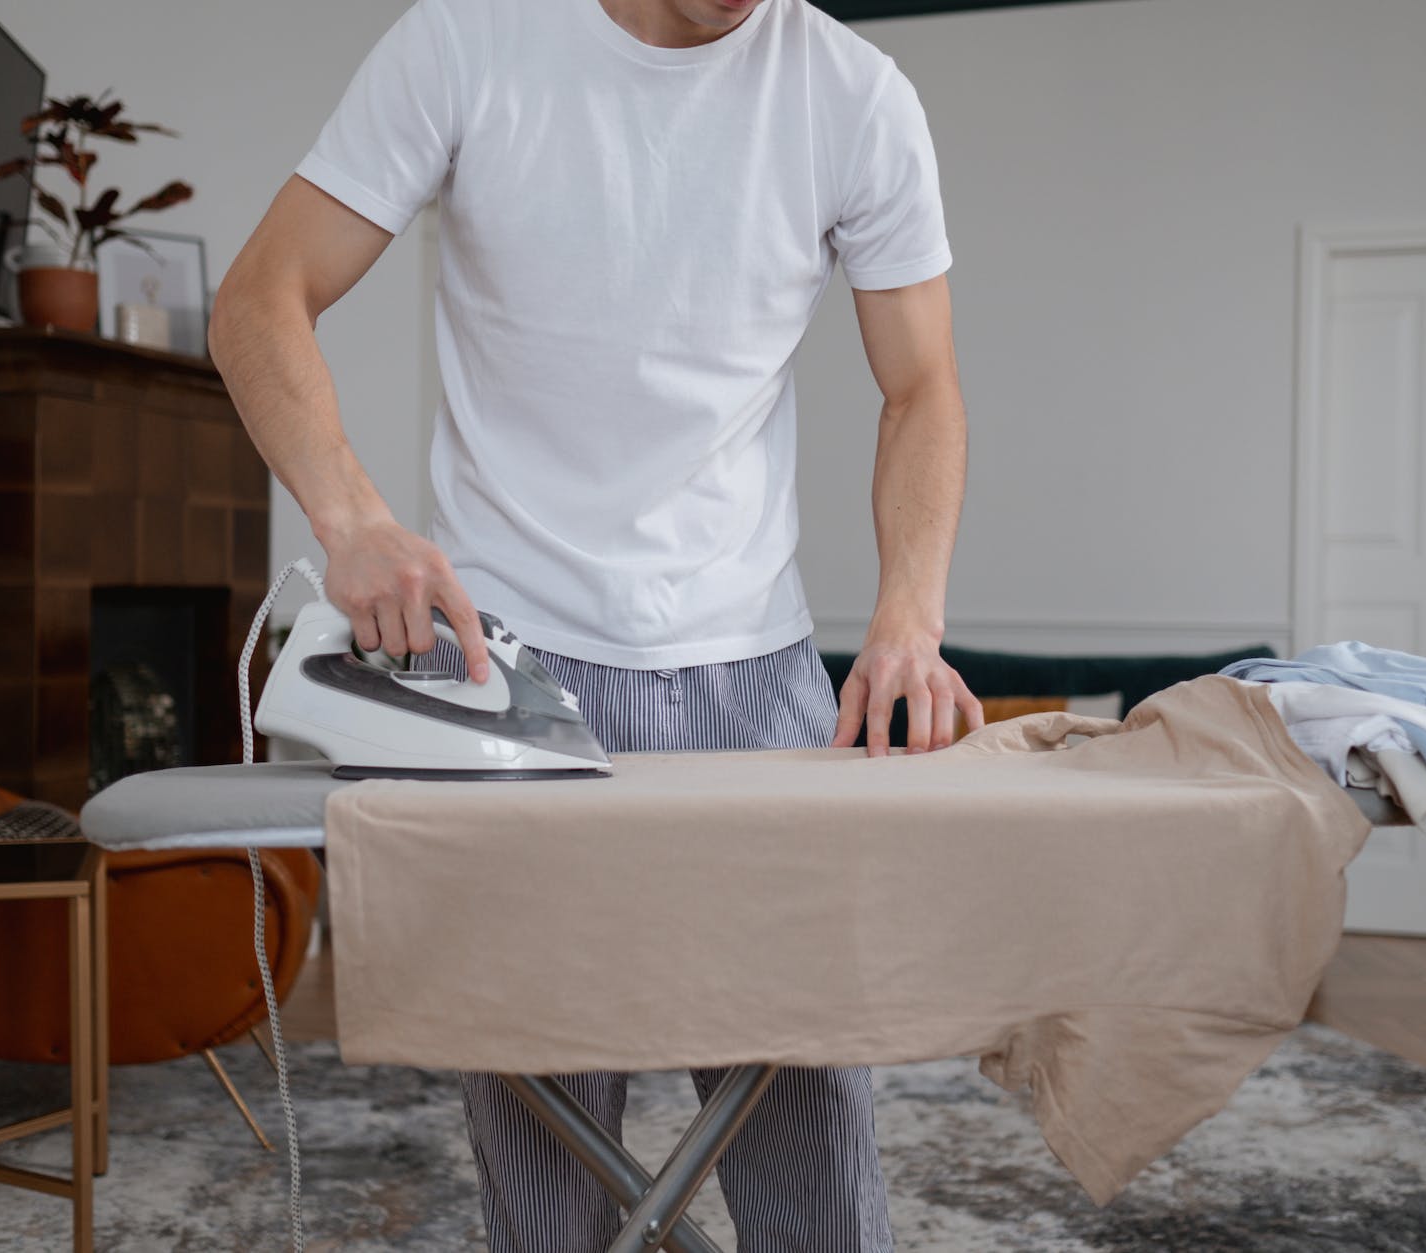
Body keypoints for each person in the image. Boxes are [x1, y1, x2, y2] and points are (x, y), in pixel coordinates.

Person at [209, 0, 980, 1245]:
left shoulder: (854, 93)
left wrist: (910, 609)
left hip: (756, 676)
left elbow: (922, 383)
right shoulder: (464, 43)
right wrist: (352, 520)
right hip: (512, 671)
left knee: (808, 1135)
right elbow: (260, 298)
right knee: (547, 1155)